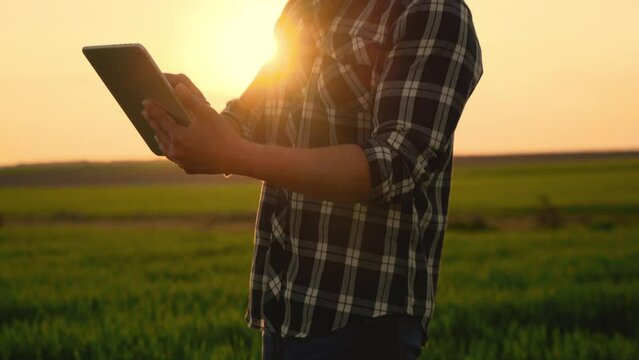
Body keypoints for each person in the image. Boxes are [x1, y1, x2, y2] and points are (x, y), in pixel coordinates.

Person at [142, 0, 483, 358]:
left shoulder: (430, 11)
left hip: (365, 324)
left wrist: (231, 153)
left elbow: (395, 165)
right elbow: (249, 118)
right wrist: (190, 114)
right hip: (281, 315)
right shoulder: (299, 11)